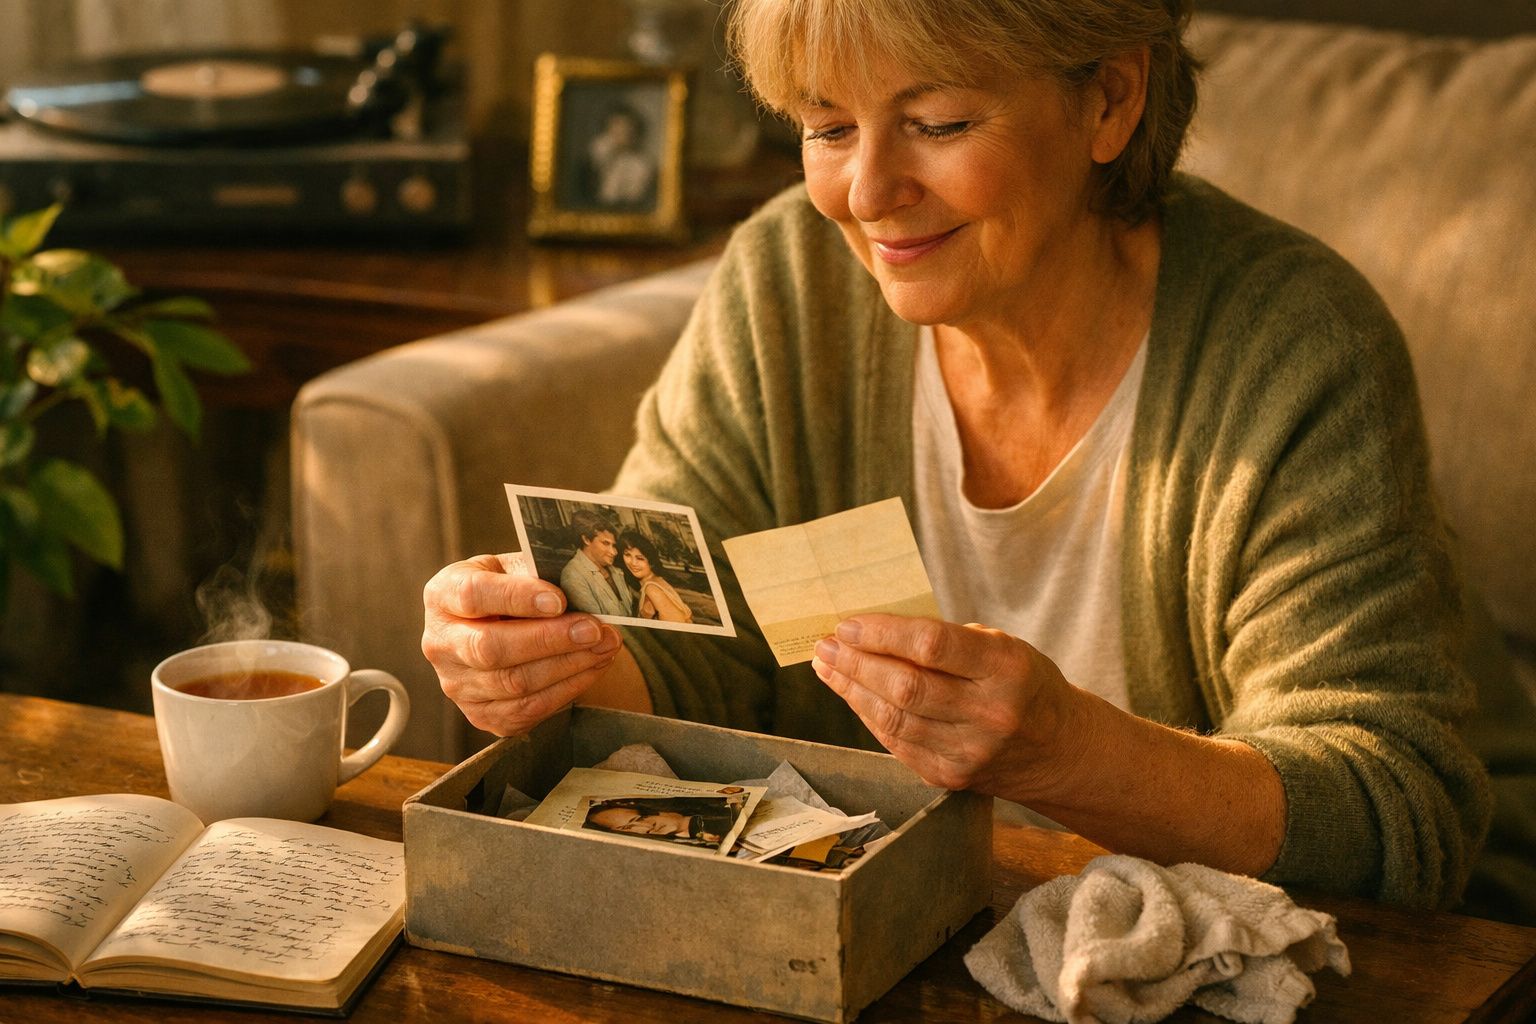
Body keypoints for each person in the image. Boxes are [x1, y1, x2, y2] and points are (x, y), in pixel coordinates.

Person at [424, 0, 1500, 911]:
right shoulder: (791, 286)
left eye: (935, 122)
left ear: (1111, 101)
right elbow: (694, 646)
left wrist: (1063, 750)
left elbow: (1394, 808)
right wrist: (543, 658)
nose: (868, 192)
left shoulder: (1291, 345)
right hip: (917, 933)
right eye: (828, 127)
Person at [558, 509, 634, 617]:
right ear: (586, 539)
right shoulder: (572, 575)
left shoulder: (615, 570)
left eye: (613, 545)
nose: (614, 552)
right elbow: (595, 623)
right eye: (605, 543)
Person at [582, 101, 656, 209]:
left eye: (626, 127)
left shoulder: (642, 164)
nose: (621, 131)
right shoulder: (597, 150)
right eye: (616, 125)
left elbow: (635, 197)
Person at [583, 796, 738, 847]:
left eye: (641, 818)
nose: (646, 827)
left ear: (664, 811)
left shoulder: (726, 812)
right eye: (628, 828)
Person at [619, 530, 694, 623]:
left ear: (650, 562)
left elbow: (677, 629)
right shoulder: (654, 582)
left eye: (640, 558)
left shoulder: (652, 589)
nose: (633, 563)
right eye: (627, 555)